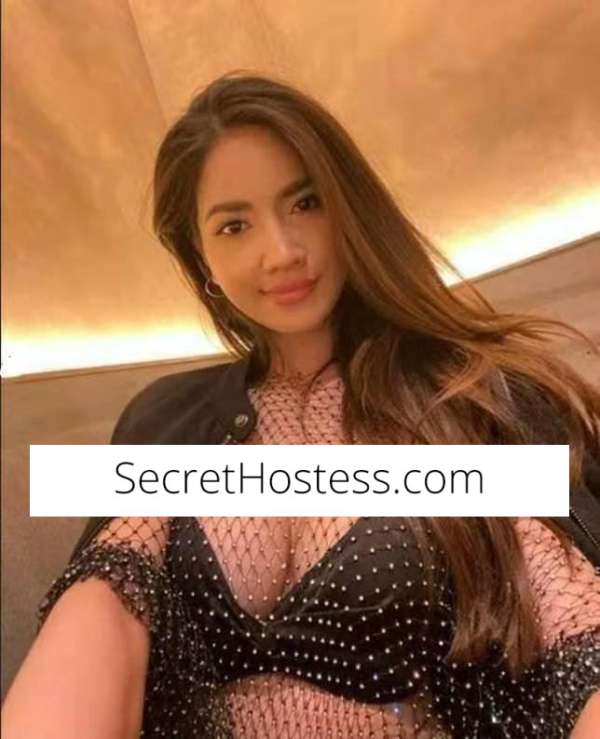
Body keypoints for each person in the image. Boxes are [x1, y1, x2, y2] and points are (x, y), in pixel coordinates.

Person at [3, 71, 600, 738]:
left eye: (306, 202)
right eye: (234, 225)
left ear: (348, 208)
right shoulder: (168, 417)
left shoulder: (468, 393)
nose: (281, 252)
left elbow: (575, 618)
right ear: (201, 256)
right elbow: (107, 599)